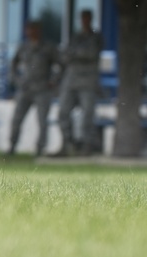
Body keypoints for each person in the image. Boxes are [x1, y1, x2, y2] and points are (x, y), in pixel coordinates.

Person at [53, 9, 103, 156]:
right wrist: (76, 54)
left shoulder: (96, 37)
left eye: (87, 18)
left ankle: (87, 146)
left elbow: (91, 53)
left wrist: (75, 54)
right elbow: (64, 56)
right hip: (71, 79)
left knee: (88, 113)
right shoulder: (75, 37)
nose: (84, 21)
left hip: (87, 81)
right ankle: (67, 144)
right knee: (63, 111)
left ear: (91, 19)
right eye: (82, 18)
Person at [7, 20, 60, 156]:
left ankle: (40, 149)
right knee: (17, 118)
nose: (30, 32)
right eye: (28, 29)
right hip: (25, 88)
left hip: (42, 89)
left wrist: (53, 81)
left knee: (42, 120)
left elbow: (60, 65)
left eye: (33, 29)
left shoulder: (48, 47)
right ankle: (12, 146)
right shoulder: (23, 47)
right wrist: (17, 80)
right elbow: (13, 64)